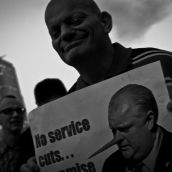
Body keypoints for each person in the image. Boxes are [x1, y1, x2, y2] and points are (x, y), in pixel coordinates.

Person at [20, 0, 172, 171]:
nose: (64, 34)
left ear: (105, 22)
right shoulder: (64, 111)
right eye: (55, 33)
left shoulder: (163, 63)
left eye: (76, 20)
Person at [102, 84, 172, 172]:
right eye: (113, 130)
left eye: (124, 129)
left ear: (149, 120)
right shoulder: (111, 165)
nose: (117, 138)